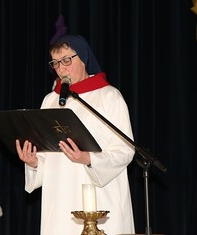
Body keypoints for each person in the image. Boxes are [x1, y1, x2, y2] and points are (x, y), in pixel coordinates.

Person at [16, 32, 135, 235]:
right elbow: (48, 154)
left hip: (100, 196)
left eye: (66, 60)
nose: (61, 69)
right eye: (55, 63)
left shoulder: (109, 96)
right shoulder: (49, 101)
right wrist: (34, 163)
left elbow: (125, 150)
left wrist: (89, 158)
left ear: (84, 58)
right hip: (59, 200)